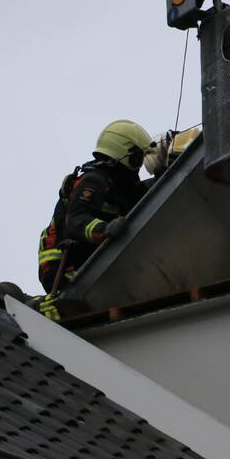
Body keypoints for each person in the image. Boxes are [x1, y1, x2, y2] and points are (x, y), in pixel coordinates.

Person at [32, 120, 168, 319]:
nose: (138, 167)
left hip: (84, 260)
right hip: (63, 265)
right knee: (68, 306)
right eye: (138, 159)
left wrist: (161, 179)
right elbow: (76, 220)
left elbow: (137, 196)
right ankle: (38, 307)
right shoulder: (94, 180)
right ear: (125, 153)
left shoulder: (117, 186)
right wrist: (105, 230)